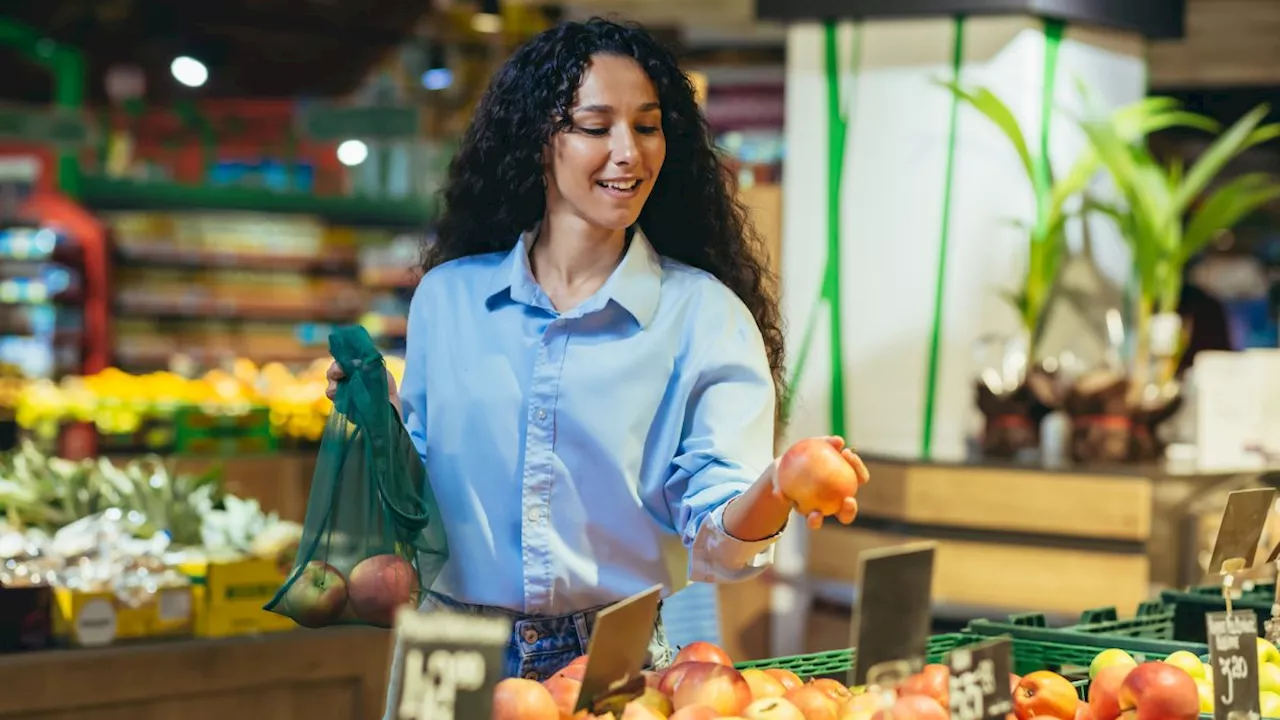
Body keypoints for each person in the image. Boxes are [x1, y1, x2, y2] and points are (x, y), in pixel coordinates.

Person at [325, 16, 870, 700]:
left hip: (612, 657)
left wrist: (779, 486)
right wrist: (380, 419)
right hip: (450, 646)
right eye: (595, 125)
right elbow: (424, 494)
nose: (629, 153)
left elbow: (721, 543)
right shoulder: (449, 297)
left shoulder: (702, 315)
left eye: (646, 126)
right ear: (538, 140)